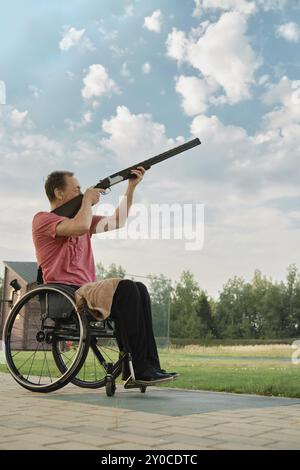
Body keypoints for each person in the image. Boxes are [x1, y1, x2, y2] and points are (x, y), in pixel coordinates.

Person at [32, 169, 177, 385]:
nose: (82, 193)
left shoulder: (82, 218)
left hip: (87, 290)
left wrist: (131, 186)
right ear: (59, 193)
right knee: (127, 288)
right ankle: (141, 370)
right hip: (65, 293)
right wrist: (88, 201)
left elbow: (117, 221)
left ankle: (147, 367)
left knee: (139, 289)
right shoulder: (43, 219)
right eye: (78, 189)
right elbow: (80, 226)